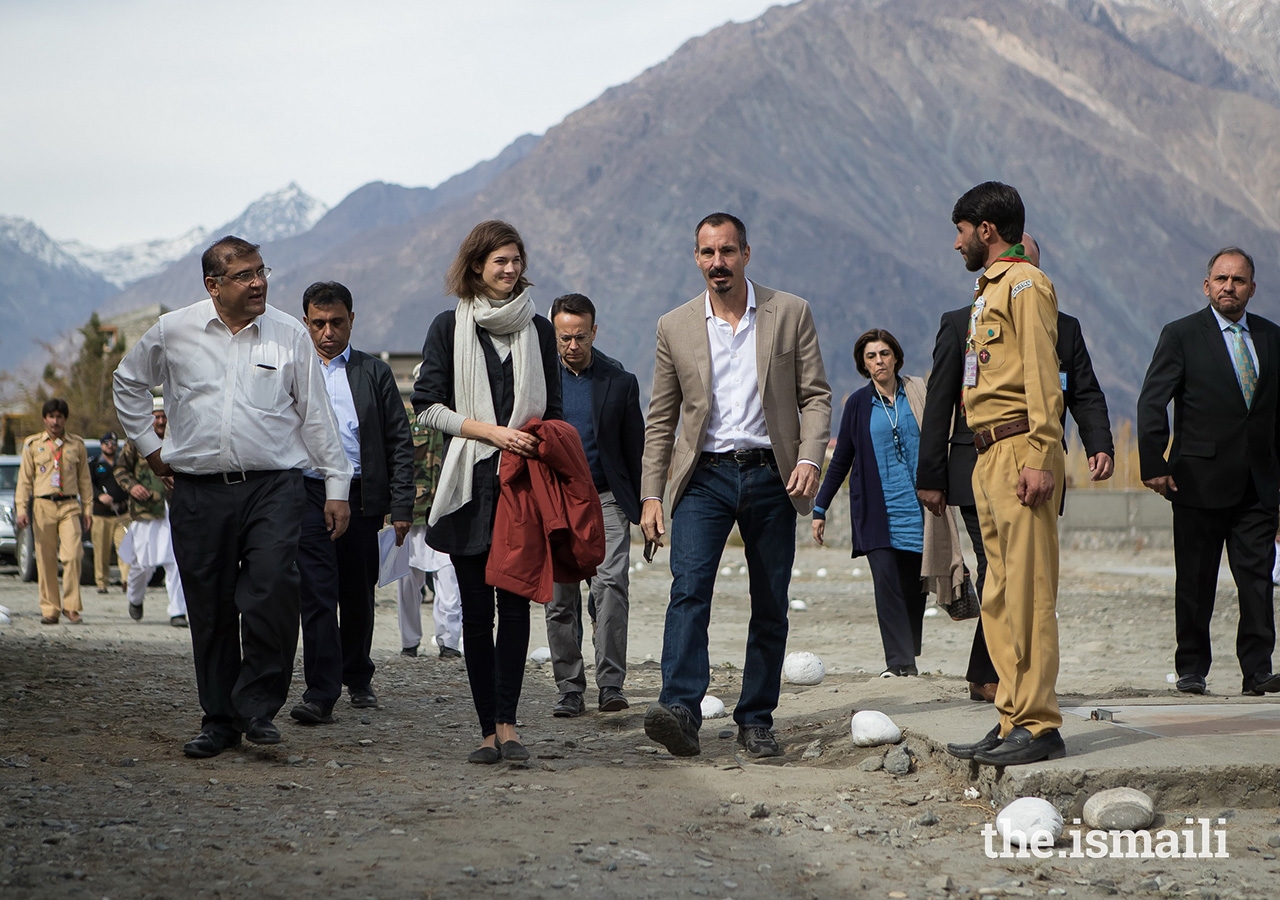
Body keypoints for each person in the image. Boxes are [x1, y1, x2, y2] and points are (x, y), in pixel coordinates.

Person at [113, 235, 352, 760]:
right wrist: (152, 451)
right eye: (244, 275)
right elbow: (127, 382)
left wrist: (337, 486)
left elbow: (317, 416)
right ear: (213, 285)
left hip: (275, 486)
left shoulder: (289, 333)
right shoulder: (174, 331)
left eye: (261, 271)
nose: (259, 282)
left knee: (272, 592)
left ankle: (258, 709)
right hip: (197, 491)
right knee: (210, 606)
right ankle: (219, 719)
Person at [640, 212, 831, 759]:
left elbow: (816, 396)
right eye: (707, 253)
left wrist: (812, 459)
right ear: (696, 258)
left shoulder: (789, 313)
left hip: (774, 473)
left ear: (746, 253)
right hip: (704, 477)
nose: (717, 263)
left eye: (727, 252)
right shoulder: (673, 325)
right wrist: (653, 494)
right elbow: (662, 418)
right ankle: (680, 709)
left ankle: (756, 718)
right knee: (689, 589)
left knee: (769, 601)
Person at [916, 232, 1114, 702]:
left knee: (1018, 579)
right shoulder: (961, 321)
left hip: (1033, 461)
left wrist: (1098, 443)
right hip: (974, 464)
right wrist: (931, 475)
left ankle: (1004, 684)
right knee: (998, 572)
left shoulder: (1063, 328)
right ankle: (998, 680)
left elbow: (1082, 391)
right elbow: (941, 396)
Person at [411, 220, 562, 764]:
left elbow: (556, 413)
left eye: (517, 260)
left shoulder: (538, 329)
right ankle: (483, 729)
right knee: (476, 613)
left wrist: (534, 444)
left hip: (520, 486)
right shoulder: (448, 327)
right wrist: (490, 432)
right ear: (476, 266)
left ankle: (509, 723)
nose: (510, 269)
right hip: (470, 484)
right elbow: (426, 404)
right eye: (500, 261)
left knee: (516, 607)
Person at [942, 183, 1067, 766]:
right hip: (988, 452)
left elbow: (1045, 376)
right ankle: (1011, 714)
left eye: (962, 230)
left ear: (986, 230)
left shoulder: (1025, 284)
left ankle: (1040, 724)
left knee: (1029, 591)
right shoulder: (985, 290)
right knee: (997, 593)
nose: (958, 242)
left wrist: (1043, 455)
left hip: (1022, 447)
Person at [1137, 247, 1280, 697]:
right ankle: (1192, 668)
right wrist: (1153, 463)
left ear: (1252, 289)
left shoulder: (1273, 339)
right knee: (1196, 579)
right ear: (1206, 285)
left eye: (1238, 280)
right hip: (1197, 480)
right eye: (1221, 279)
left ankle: (1258, 671)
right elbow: (1152, 400)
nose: (1229, 287)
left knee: (1256, 581)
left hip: (1258, 485)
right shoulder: (1181, 335)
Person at [289, 281, 415, 725]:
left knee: (356, 593)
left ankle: (357, 676)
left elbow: (400, 441)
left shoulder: (372, 373)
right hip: (308, 493)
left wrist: (401, 507)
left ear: (351, 321)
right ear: (305, 323)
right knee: (317, 593)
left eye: (336, 322)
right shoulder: (293, 370)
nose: (328, 332)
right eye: (318, 323)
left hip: (361, 497)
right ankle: (320, 692)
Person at [812, 329, 960, 677]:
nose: (879, 361)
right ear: (863, 365)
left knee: (914, 588)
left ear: (896, 357)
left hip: (921, 510)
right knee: (887, 586)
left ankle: (908, 653)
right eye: (871, 357)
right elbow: (842, 459)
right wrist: (820, 507)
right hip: (877, 514)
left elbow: (944, 439)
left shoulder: (919, 394)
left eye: (884, 354)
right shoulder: (859, 405)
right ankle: (899, 663)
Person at [545, 293, 644, 717]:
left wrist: (645, 510)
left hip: (605, 499)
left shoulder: (619, 382)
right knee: (558, 596)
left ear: (594, 332)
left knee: (610, 588)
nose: (572, 345)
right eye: (564, 337)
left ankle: (610, 684)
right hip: (554, 500)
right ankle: (569, 687)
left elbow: (634, 449)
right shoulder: (538, 380)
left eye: (580, 337)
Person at [14, 398, 93, 625]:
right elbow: (24, 482)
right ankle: (50, 608)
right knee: (45, 559)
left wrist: (88, 509)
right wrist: (22, 509)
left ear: (65, 419)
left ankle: (71, 606)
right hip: (42, 506)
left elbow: (85, 481)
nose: (55, 421)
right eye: (51, 416)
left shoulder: (76, 445)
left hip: (69, 505)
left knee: (73, 555)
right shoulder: (33, 445)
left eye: (59, 417)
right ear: (44, 419)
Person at [114, 397, 188, 627]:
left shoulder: (178, 439)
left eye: (164, 416)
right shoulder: (137, 442)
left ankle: (177, 611)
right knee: (142, 564)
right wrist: (133, 486)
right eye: (156, 416)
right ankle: (135, 599)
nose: (161, 420)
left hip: (173, 510)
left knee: (175, 561)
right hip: (146, 510)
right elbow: (120, 469)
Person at [397, 406, 463, 659]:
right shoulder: (405, 417)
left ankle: (449, 642)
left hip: (447, 510)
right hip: (411, 512)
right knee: (406, 581)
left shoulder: (459, 414)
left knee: (449, 579)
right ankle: (409, 642)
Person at [90, 431, 130, 594]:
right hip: (101, 514)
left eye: (113, 443)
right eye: (107, 443)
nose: (110, 446)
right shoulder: (94, 465)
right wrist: (99, 496)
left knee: (126, 548)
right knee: (101, 550)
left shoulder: (122, 464)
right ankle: (101, 582)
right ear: (102, 445)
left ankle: (126, 580)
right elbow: (87, 485)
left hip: (122, 513)